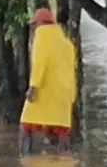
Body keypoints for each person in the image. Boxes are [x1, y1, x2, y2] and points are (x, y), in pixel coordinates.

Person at [19, 8, 77, 154]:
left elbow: (40, 63)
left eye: (34, 24)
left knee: (26, 124)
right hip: (64, 91)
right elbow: (71, 69)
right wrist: (72, 94)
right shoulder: (66, 43)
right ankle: (65, 160)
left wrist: (33, 86)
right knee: (62, 130)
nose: (33, 27)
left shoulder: (42, 38)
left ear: (40, 23)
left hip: (45, 90)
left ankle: (25, 158)